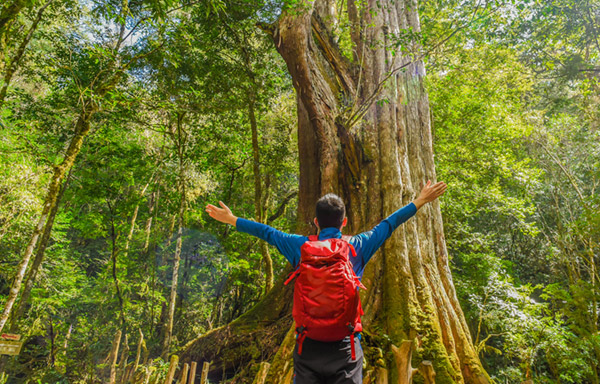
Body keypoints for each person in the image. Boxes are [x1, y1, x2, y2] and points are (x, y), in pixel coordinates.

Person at [205, 180, 447, 384]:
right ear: (344, 222)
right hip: (346, 348)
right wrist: (421, 199)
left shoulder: (300, 246)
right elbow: (389, 224)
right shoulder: (357, 246)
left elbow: (267, 232)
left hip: (307, 345)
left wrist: (232, 219)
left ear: (315, 222)